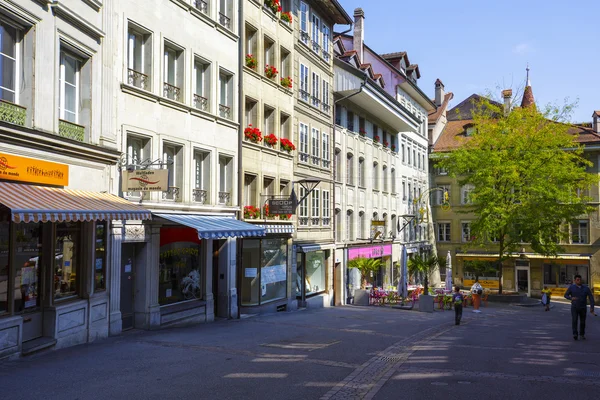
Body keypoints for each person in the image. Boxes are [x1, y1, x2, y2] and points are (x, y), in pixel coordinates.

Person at [564, 274, 595, 340]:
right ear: (575, 281)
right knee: (574, 320)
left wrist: (592, 307)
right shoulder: (571, 287)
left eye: (580, 280)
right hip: (574, 307)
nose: (579, 281)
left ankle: (582, 334)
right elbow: (565, 295)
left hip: (583, 307)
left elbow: (591, 298)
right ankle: (575, 334)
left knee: (583, 322)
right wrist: (571, 298)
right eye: (578, 280)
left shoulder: (586, 288)